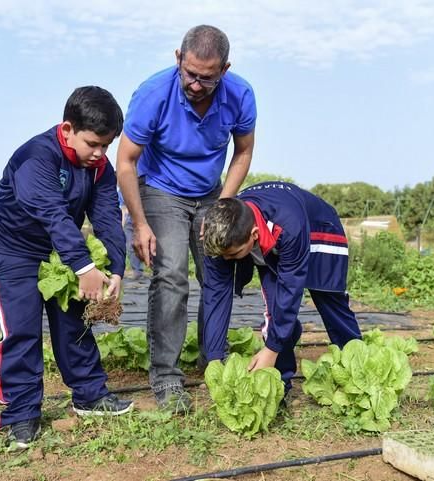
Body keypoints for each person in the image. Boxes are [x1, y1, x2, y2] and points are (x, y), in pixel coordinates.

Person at [0, 86, 133, 449]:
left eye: (107, 146)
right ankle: (21, 414)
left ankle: (90, 396)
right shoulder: (37, 157)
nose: (99, 154)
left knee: (74, 323)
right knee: (22, 331)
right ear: (67, 129)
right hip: (15, 251)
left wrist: (114, 268)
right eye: (93, 144)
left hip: (58, 252)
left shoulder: (98, 168)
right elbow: (52, 214)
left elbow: (108, 218)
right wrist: (83, 267)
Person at [116, 25, 256, 413]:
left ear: (224, 69)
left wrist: (223, 206)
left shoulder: (240, 95)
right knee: (173, 272)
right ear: (178, 57)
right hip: (162, 190)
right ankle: (166, 375)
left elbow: (242, 153)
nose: (196, 85)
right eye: (190, 74)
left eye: (207, 78)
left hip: (211, 192)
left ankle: (212, 358)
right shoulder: (153, 94)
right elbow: (126, 162)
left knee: (218, 271)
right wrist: (140, 223)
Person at [201, 181, 362, 395]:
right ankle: (280, 384)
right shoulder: (220, 236)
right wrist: (213, 359)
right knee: (275, 308)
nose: (226, 260)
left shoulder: (288, 225)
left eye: (233, 255)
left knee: (330, 302)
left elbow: (291, 289)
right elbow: (215, 295)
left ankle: (358, 367)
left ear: (254, 234)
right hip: (274, 241)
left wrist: (271, 349)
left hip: (319, 229)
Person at [118, 191, 144, 280]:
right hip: (129, 220)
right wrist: (122, 225)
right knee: (130, 246)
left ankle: (156, 268)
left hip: (144, 219)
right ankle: (137, 271)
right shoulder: (121, 190)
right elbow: (123, 208)